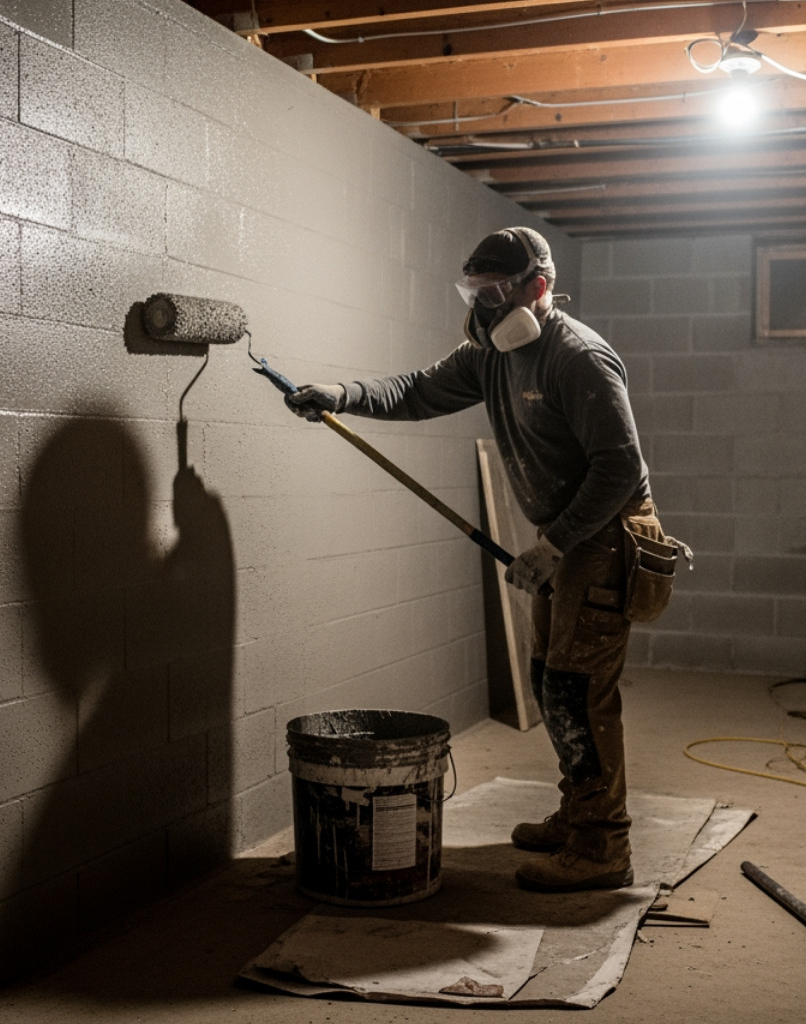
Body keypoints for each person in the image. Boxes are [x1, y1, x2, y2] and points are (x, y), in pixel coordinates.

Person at [285, 226, 667, 893]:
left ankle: (603, 845)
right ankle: (579, 813)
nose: (484, 309)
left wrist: (554, 545)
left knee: (577, 693)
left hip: (605, 536)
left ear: (537, 288)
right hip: (567, 537)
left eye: (495, 293)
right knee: (550, 680)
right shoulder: (491, 356)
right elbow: (418, 390)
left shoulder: (578, 358)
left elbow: (619, 468)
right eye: (474, 293)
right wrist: (343, 395)